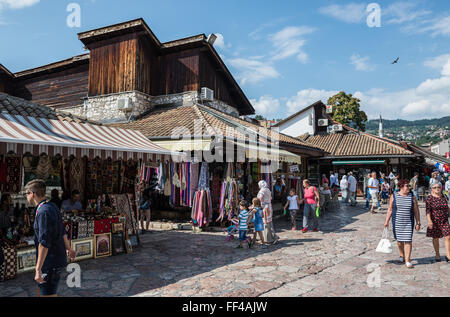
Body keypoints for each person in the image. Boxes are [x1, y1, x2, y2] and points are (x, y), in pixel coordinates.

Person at [25, 179, 75, 297]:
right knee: (42, 291)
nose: (26, 197)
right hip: (54, 259)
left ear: (32, 194)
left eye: (26, 193)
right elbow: (61, 230)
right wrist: (69, 248)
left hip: (50, 262)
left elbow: (44, 242)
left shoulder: (44, 212)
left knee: (48, 294)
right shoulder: (51, 206)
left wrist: (38, 269)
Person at [384, 179, 421, 269]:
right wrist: (386, 221)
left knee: (408, 240)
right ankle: (402, 255)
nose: (409, 187)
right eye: (407, 186)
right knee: (399, 241)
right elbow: (390, 209)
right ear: (401, 187)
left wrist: (418, 222)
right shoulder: (394, 196)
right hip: (397, 222)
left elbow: (416, 210)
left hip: (408, 222)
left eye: (409, 186)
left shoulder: (412, 197)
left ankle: (407, 260)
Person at [425, 183, 450, 262]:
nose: (437, 188)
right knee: (436, 237)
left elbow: (447, 208)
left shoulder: (444, 197)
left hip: (444, 220)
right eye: (434, 187)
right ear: (431, 189)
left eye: (438, 187)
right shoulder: (430, 198)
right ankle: (437, 254)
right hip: (434, 220)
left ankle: (448, 255)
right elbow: (428, 211)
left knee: (448, 236)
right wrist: (429, 221)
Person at [257, 180, 279, 244]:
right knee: (269, 222)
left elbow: (260, 198)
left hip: (264, 208)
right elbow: (270, 198)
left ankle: (270, 238)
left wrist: (258, 203)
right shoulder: (268, 190)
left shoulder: (262, 190)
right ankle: (271, 237)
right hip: (269, 206)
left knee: (266, 223)